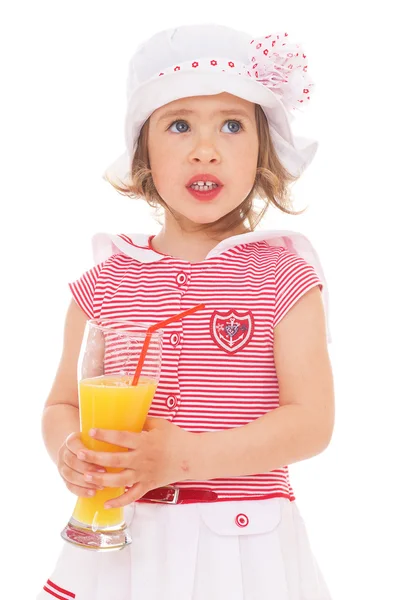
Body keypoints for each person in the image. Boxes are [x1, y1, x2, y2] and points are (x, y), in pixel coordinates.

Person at [38, 23, 335, 600]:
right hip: (123, 540)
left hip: (243, 548)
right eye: (179, 125)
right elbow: (62, 404)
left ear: (262, 148)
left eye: (231, 124)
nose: (207, 148)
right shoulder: (103, 282)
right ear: (143, 151)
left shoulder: (283, 276)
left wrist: (185, 457)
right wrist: (69, 450)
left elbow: (312, 422)